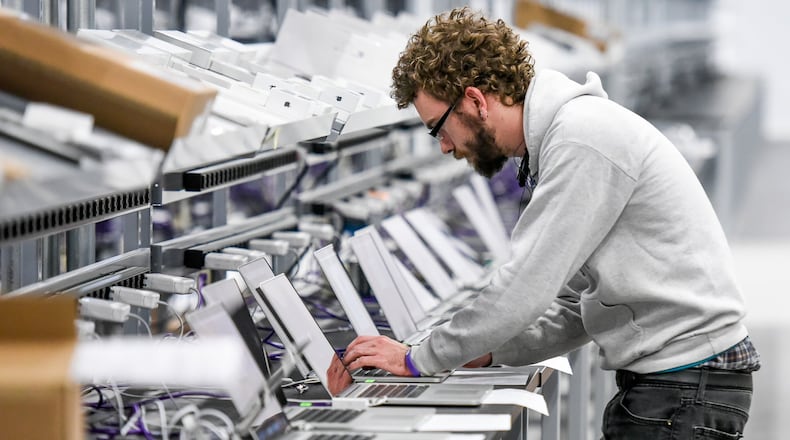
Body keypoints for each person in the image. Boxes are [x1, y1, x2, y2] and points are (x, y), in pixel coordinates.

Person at [329, 7, 760, 439]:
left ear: (476, 100)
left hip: (683, 390)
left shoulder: (580, 138)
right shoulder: (563, 140)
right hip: (678, 386)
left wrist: (417, 358)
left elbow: (525, 287)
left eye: (438, 129)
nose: (444, 147)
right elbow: (573, 305)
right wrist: (486, 350)